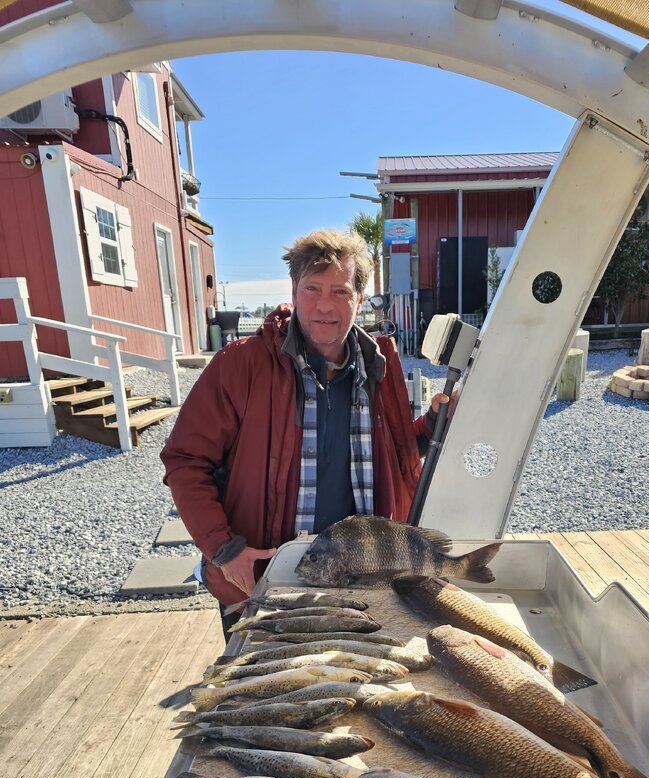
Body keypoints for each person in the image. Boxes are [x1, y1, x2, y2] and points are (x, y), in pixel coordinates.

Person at [161, 228, 447, 637]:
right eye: (312, 288)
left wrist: (430, 427)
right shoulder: (241, 365)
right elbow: (186, 459)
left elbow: (395, 452)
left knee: (353, 689)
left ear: (360, 299)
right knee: (267, 691)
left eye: (341, 291)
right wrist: (224, 550)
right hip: (263, 581)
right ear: (294, 291)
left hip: (364, 580)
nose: (325, 306)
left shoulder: (380, 365)